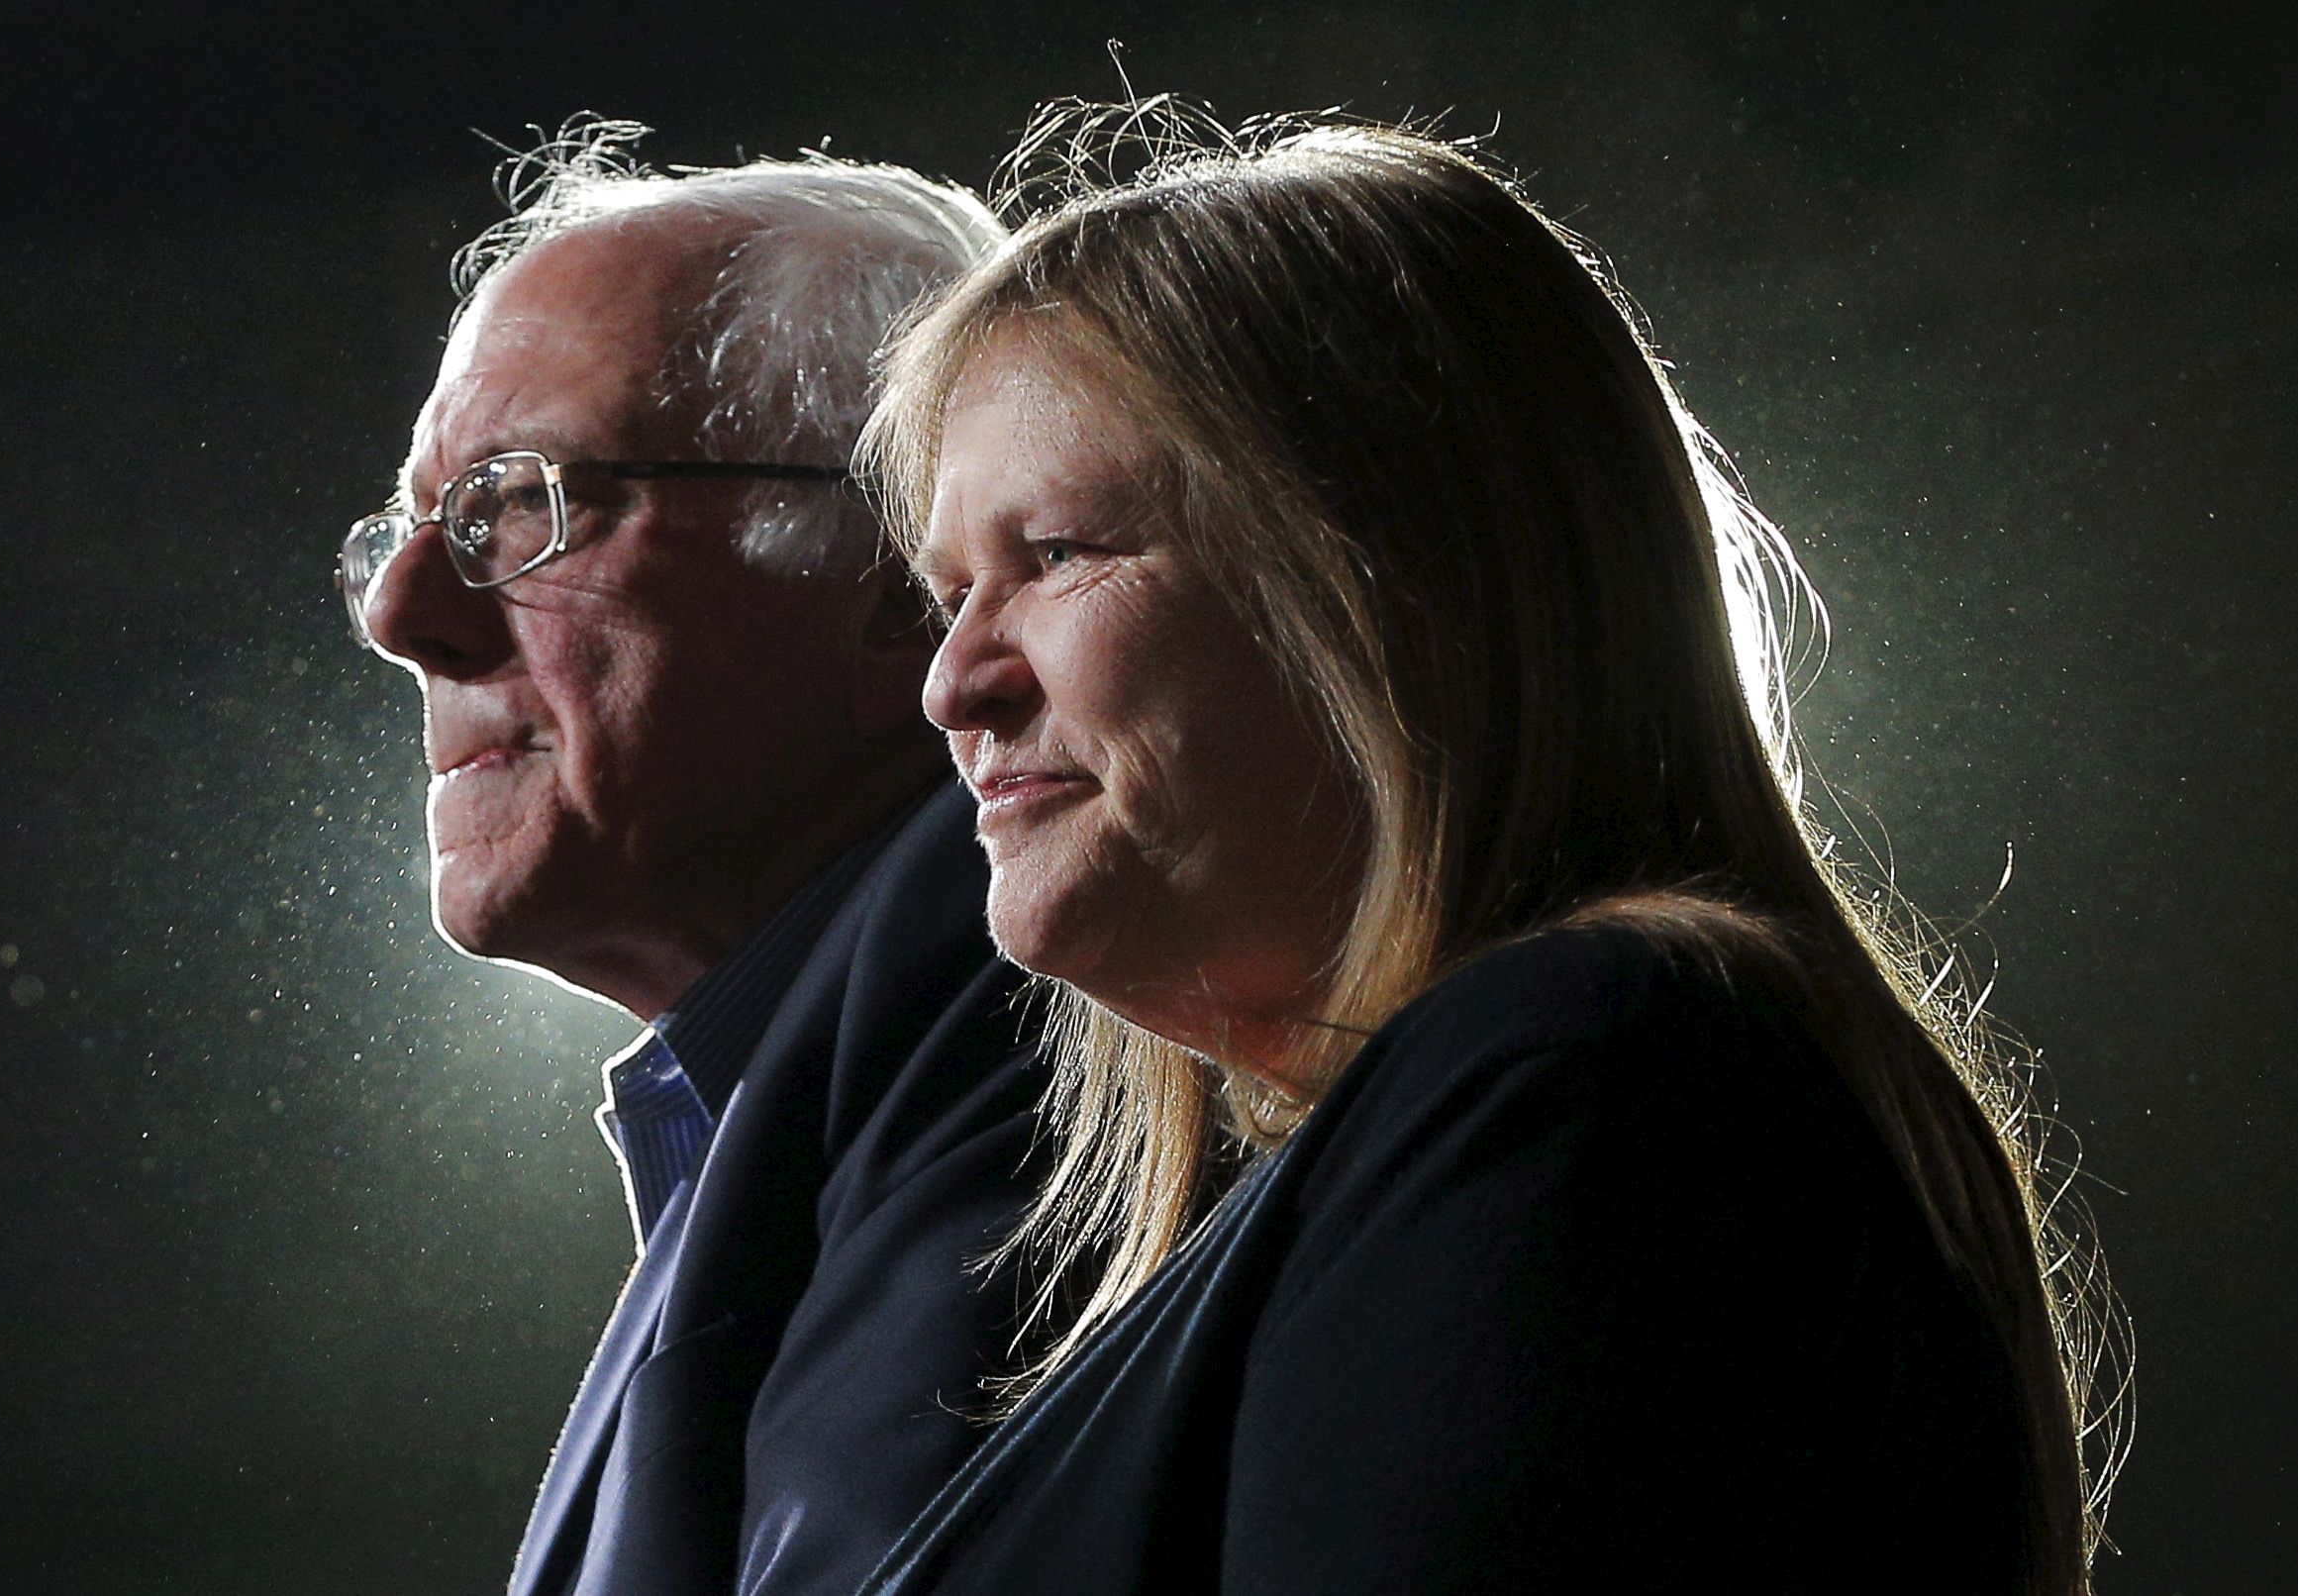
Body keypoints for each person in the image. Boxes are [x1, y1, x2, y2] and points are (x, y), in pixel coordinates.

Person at [852, 110, 2115, 1594]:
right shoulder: (1543, 1097)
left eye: (1057, 552)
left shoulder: (1590, 1072)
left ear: (1387, 575)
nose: (954, 688)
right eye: (950, 596)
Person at [336, 121, 1042, 1596]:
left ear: (905, 582)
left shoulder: (1045, 1094)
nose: (401, 613)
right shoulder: (815, 1097)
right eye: (404, 529)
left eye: (518, 503)